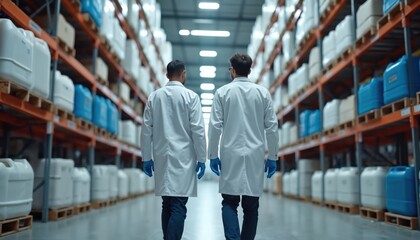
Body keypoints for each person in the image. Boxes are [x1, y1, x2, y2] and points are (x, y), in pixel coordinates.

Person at [207, 53, 279, 240]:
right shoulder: (262, 93)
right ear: (250, 70)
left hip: (230, 154)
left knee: (229, 203)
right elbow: (272, 127)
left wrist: (212, 155)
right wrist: (272, 156)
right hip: (255, 156)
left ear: (232, 70)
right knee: (251, 206)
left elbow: (215, 126)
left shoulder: (222, 93)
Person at [141, 60, 207, 240]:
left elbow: (146, 130)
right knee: (178, 205)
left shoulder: (154, 97)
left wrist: (146, 157)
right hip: (183, 157)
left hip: (162, 155)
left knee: (167, 203)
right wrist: (202, 158)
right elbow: (198, 131)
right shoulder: (191, 97)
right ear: (183, 73)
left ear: (166, 75)